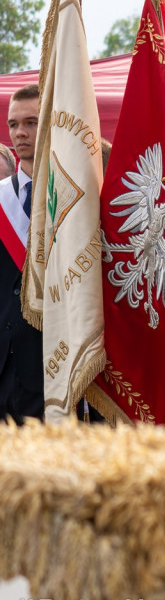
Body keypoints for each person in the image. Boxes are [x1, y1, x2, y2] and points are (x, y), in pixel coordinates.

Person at [0, 84, 43, 422]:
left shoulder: (83, 197)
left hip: (53, 368)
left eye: (31, 122)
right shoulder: (1, 197)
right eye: (14, 124)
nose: (20, 133)